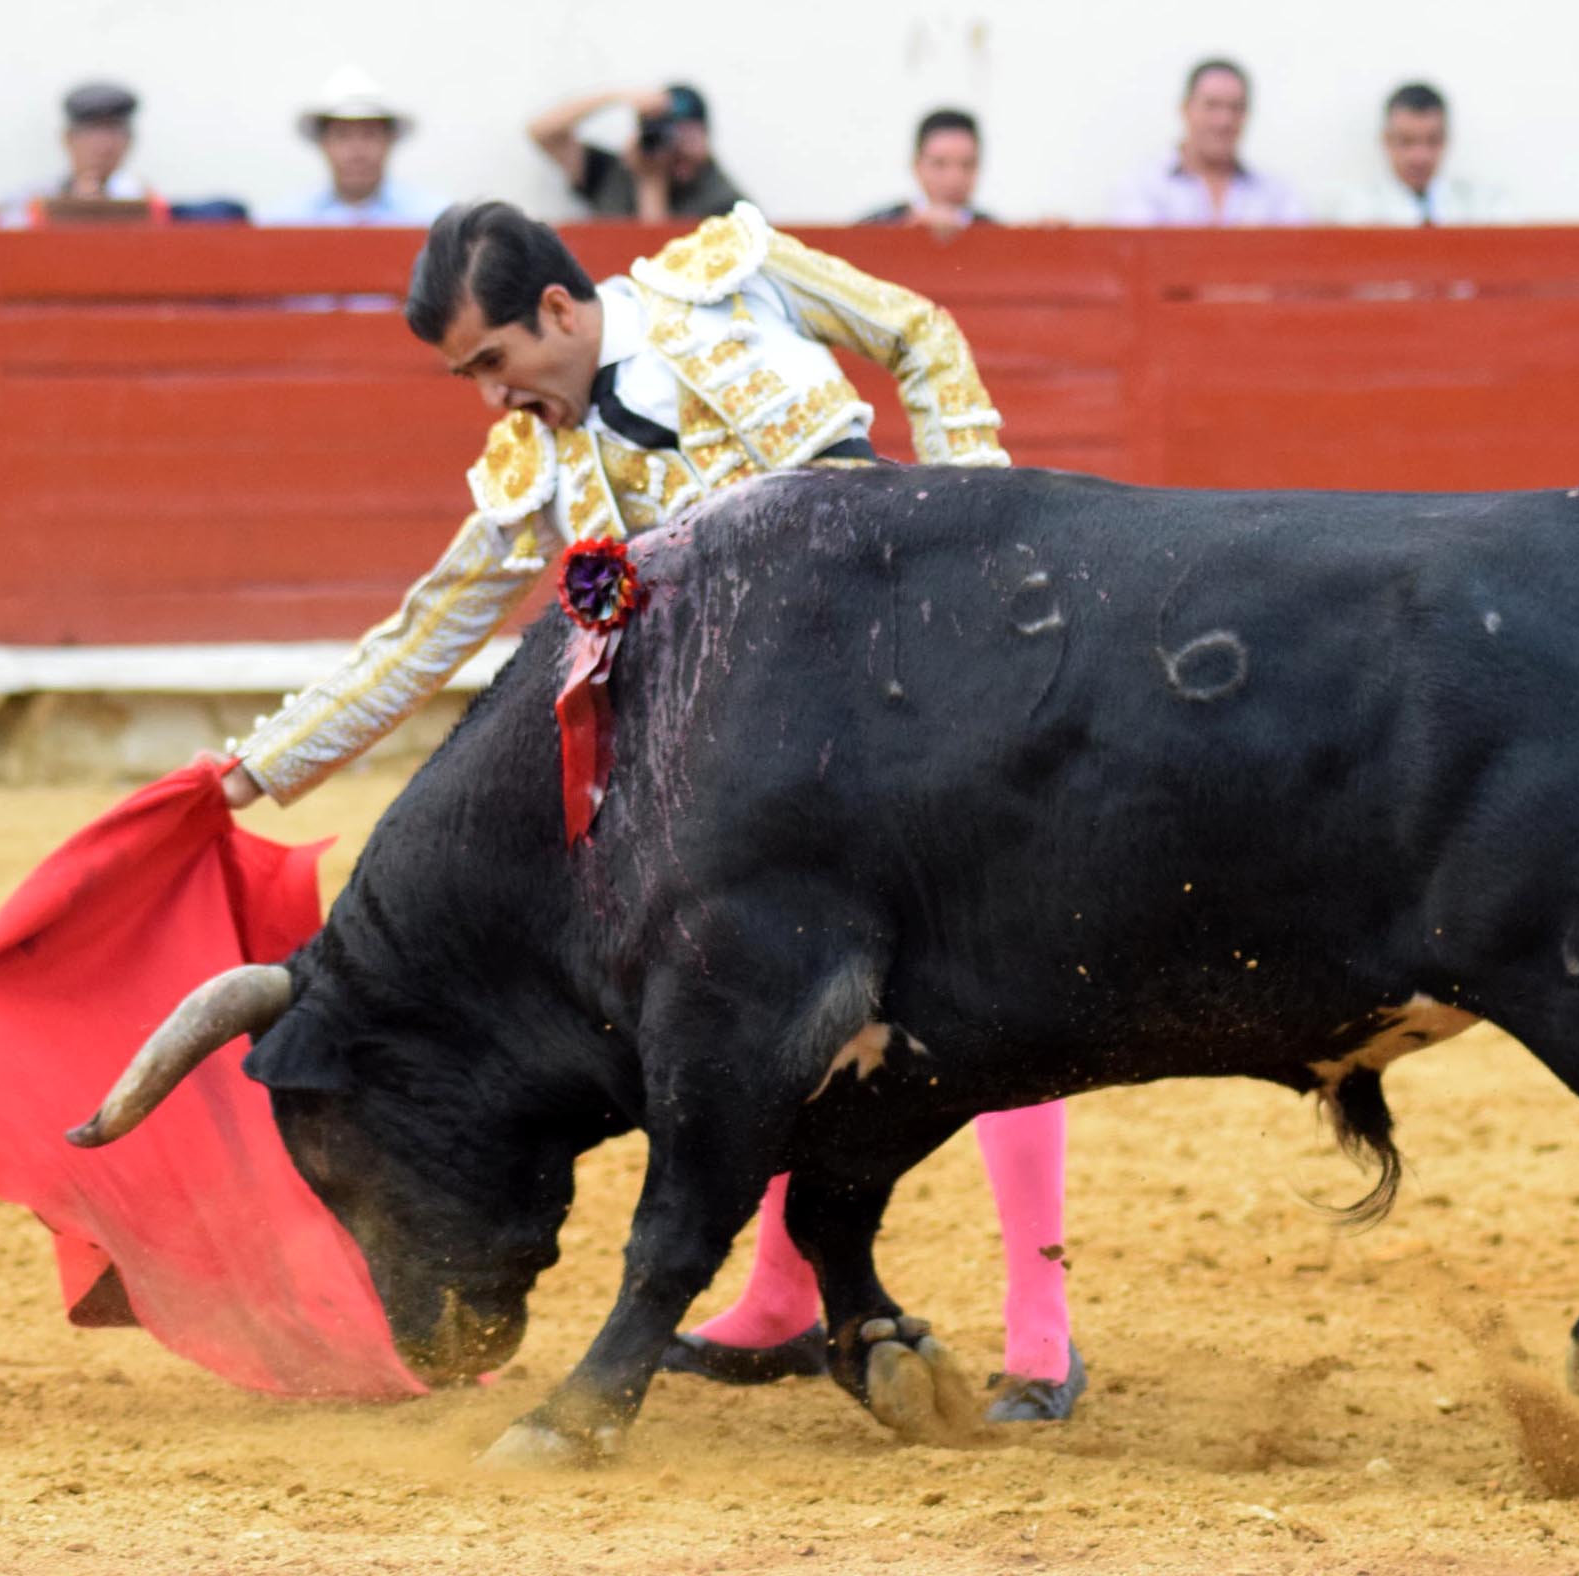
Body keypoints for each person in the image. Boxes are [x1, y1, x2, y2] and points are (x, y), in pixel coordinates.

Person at [199, 201, 1085, 1422]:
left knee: (990, 975)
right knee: (769, 1004)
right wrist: (250, 771)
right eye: (466, 376)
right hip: (762, 774)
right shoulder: (536, 463)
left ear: (557, 311)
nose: (489, 398)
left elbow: (919, 333)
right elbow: (421, 636)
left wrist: (980, 529)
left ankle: (1042, 1334)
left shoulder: (728, 279)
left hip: (908, 687)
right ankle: (779, 1298)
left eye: (492, 362)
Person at [1111, 58, 1305, 226]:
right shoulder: (1143, 188)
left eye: (1236, 108)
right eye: (1212, 106)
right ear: (1185, 109)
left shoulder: (1277, 194)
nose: (1224, 121)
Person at [527, 83, 746, 221]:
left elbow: (660, 262)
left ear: (705, 136)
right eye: (667, 136)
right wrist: (617, 96)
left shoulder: (725, 203)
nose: (674, 149)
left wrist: (650, 183)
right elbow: (543, 132)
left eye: (685, 136)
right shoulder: (614, 174)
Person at [262, 65, 443, 226]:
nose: (357, 151)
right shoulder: (284, 222)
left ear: (390, 141)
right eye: (342, 136)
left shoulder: (432, 220)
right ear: (323, 144)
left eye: (369, 135)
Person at [1333, 82, 1511, 225]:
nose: (1420, 156)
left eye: (1432, 140)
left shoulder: (1485, 204)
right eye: (1406, 141)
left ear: (1445, 140)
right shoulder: (1353, 209)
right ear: (1386, 141)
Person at [859, 108, 992, 235]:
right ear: (917, 166)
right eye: (939, 164)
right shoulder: (875, 227)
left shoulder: (996, 232)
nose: (953, 178)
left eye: (967, 165)